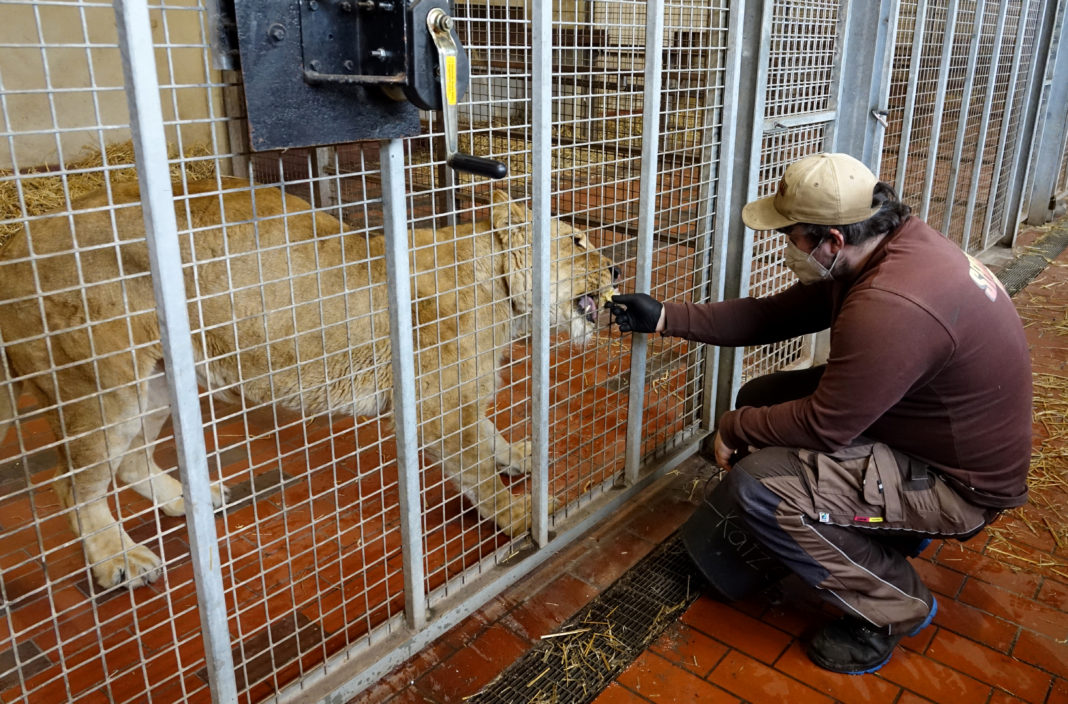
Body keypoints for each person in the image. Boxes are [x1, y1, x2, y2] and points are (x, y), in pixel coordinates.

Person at [606, 152, 1032, 675]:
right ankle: (870, 528)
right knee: (762, 398)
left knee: (761, 485)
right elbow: (772, 316)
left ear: (831, 241)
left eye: (793, 238)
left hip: (957, 485)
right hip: (924, 431)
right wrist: (667, 316)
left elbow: (825, 427)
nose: (788, 248)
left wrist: (733, 428)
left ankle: (894, 605)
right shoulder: (888, 246)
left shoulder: (891, 303)